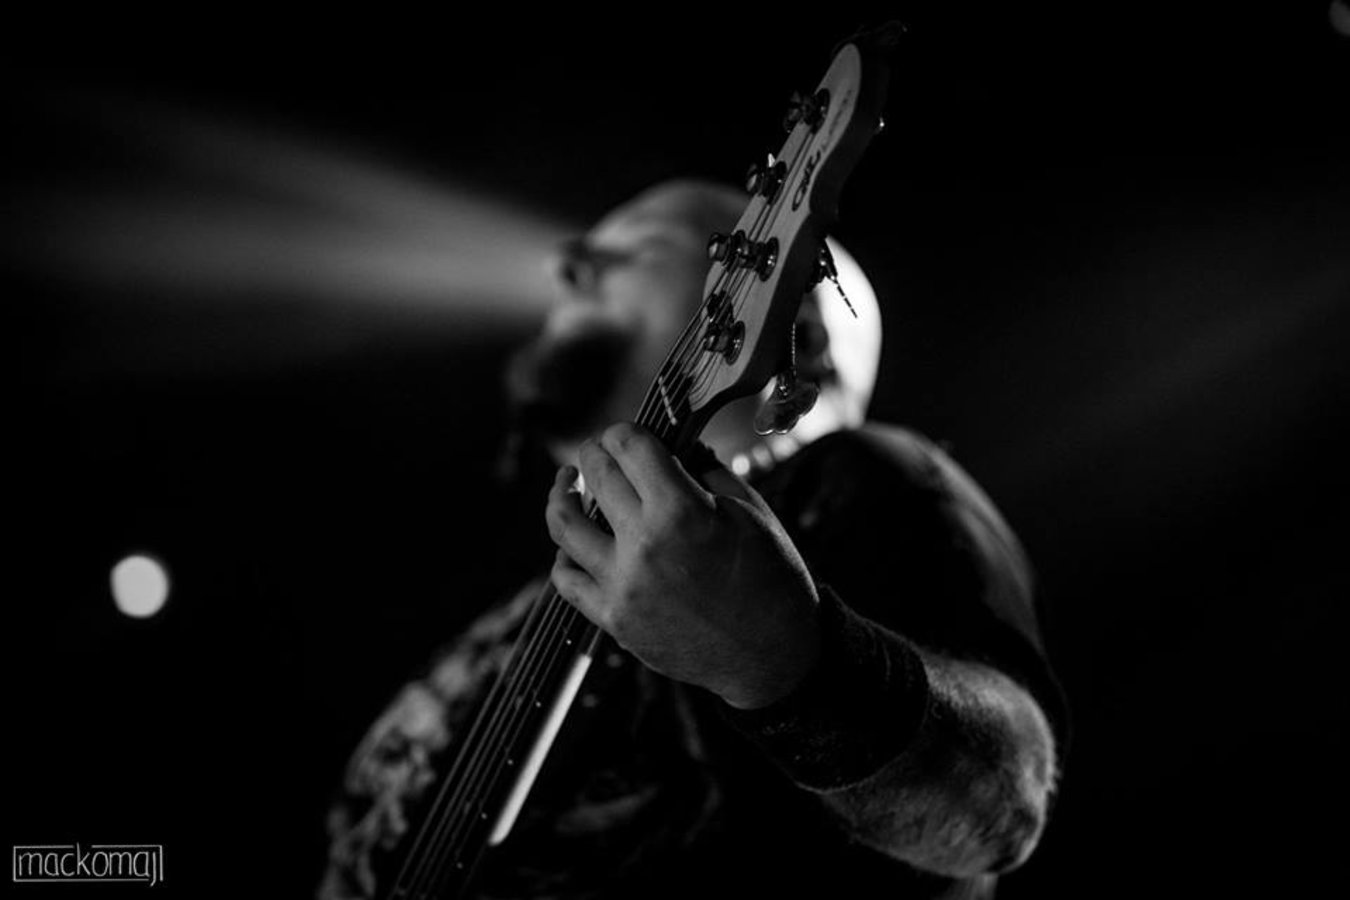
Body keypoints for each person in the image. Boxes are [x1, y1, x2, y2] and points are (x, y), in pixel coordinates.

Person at [318, 180, 1067, 900]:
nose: (565, 264)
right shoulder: (564, 581)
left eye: (642, 243)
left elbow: (999, 812)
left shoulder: (856, 477)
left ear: (800, 333)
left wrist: (786, 663)